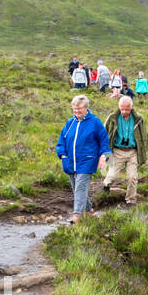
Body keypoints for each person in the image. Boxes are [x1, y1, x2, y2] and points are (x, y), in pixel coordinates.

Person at [56, 94, 110, 223]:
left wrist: (103, 156)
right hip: (70, 161)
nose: (76, 111)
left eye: (79, 108)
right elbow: (61, 141)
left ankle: (77, 215)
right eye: (74, 108)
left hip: (87, 160)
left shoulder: (94, 122)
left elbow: (104, 140)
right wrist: (63, 155)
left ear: (86, 108)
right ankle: (89, 210)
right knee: (77, 188)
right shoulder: (70, 122)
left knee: (80, 187)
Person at [102, 95, 147, 206]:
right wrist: (104, 152)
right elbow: (104, 134)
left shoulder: (139, 119)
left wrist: (143, 154)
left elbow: (143, 137)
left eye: (127, 109)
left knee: (132, 177)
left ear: (132, 107)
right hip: (117, 151)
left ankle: (130, 200)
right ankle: (106, 185)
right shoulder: (112, 117)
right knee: (112, 176)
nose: (124, 111)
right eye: (122, 109)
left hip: (132, 152)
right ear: (119, 107)